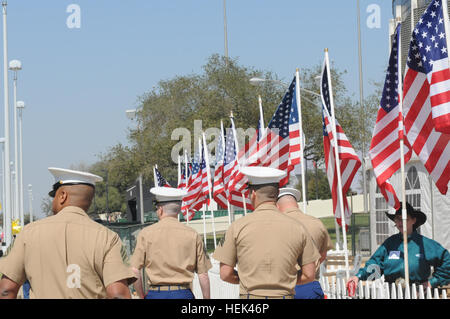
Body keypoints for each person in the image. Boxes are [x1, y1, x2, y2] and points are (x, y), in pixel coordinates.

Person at [0, 167, 136, 299]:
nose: (52, 202)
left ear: (62, 196)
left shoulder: (28, 234)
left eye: (54, 197)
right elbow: (118, 294)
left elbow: (6, 290)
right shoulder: (107, 237)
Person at [213, 167, 321, 299]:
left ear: (253, 194)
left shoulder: (236, 227)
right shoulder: (299, 227)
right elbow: (309, 274)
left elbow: (225, 274)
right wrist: (287, 281)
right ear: (277, 193)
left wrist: (248, 281)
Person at [130, 187, 212, 299]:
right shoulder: (193, 235)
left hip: (156, 293)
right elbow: (203, 274)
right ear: (178, 210)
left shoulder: (145, 234)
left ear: (160, 209)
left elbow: (134, 270)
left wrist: (141, 295)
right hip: (183, 293)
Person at [347, 202, 450, 289]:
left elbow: (447, 261)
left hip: (418, 293)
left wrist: (432, 283)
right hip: (392, 292)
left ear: (414, 220)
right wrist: (358, 276)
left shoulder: (425, 244)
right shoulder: (390, 243)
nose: (401, 222)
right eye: (397, 219)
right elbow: (375, 264)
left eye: (404, 219)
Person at [276, 187, 333, 299]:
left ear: (277, 206)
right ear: (296, 205)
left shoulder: (273, 225)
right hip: (310, 285)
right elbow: (322, 256)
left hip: (282, 286)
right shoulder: (317, 223)